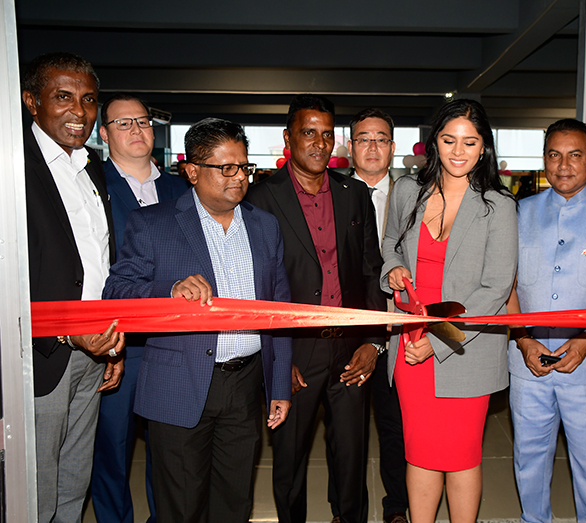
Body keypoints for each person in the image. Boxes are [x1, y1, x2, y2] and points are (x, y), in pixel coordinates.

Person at [103, 118, 292, 522]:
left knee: (234, 503)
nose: (238, 177)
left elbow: (280, 308)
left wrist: (279, 385)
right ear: (191, 170)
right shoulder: (153, 223)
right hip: (179, 384)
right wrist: (167, 292)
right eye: (226, 167)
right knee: (181, 507)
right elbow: (116, 295)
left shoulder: (264, 225)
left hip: (244, 386)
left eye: (243, 166)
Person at [245, 94, 386, 523]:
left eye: (327, 134)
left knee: (351, 458)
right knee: (288, 461)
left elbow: (369, 271)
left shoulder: (354, 193)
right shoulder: (261, 197)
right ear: (288, 138)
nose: (319, 143)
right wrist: (275, 355)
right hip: (294, 350)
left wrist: (374, 342)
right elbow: (256, 285)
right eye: (309, 132)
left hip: (348, 348)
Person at [380, 99, 517, 523]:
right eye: (449, 139)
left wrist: (438, 340)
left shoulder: (498, 205)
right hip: (410, 343)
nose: (459, 151)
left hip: (464, 347)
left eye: (470, 142)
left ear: (483, 148)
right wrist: (394, 268)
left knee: (460, 456)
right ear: (433, 143)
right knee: (419, 453)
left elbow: (495, 288)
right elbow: (389, 246)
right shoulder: (407, 190)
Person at [506, 119, 586, 523]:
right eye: (554, 155)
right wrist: (523, 339)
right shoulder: (516, 212)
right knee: (528, 460)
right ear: (544, 160)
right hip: (528, 362)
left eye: (574, 155)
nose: (563, 165)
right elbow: (504, 285)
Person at [21, 52, 125, 523]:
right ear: (31, 102)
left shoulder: (93, 170)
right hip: (41, 355)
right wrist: (64, 332)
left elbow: (100, 262)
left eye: (88, 100)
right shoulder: (12, 170)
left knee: (73, 480)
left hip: (95, 348)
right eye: (63, 97)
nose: (79, 112)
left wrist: (113, 340)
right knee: (37, 486)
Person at [91, 93, 188, 523]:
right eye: (123, 123)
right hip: (118, 340)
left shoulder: (180, 188)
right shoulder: (93, 186)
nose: (136, 130)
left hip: (172, 340)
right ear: (104, 132)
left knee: (168, 449)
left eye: (143, 121)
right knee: (111, 446)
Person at [345, 108, 408, 523]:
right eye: (363, 138)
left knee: (396, 426)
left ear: (392, 147)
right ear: (349, 147)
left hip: (399, 329)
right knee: (345, 432)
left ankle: (397, 507)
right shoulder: (330, 193)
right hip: (345, 331)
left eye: (381, 139)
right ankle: (344, 509)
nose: (372, 146)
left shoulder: (416, 194)